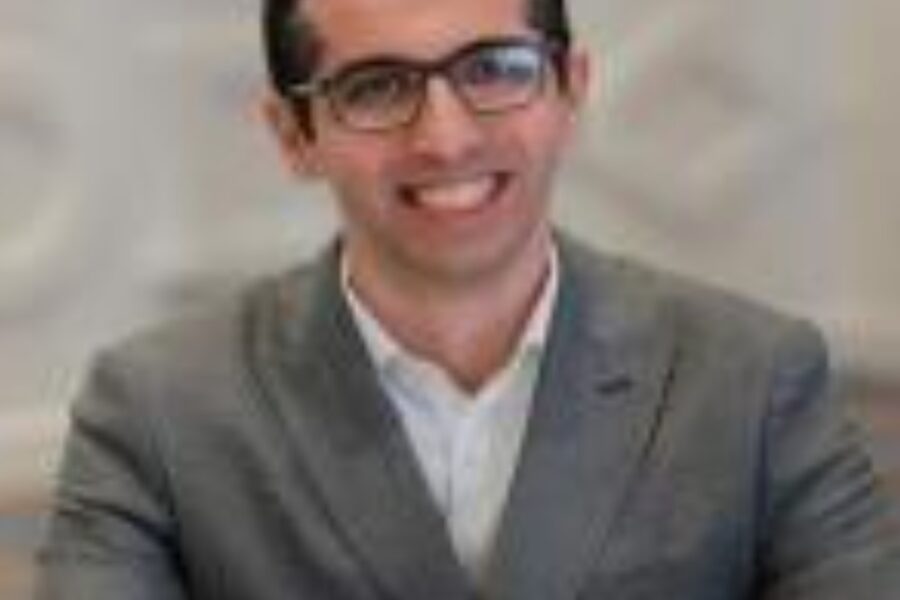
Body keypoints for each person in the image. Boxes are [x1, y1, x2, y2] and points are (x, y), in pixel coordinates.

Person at [36, 0, 899, 597]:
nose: (445, 139)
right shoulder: (156, 409)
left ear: (571, 89)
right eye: (376, 87)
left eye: (493, 69)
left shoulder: (756, 379)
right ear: (294, 135)